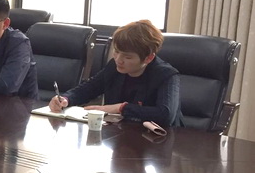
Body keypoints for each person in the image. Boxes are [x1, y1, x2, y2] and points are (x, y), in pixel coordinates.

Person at [49, 19, 182, 127]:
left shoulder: (166, 75)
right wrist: (66, 99)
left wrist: (121, 108)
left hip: (159, 142)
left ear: (149, 58)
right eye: (116, 51)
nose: (118, 60)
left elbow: (165, 115)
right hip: (119, 135)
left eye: (127, 57)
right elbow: (89, 88)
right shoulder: (115, 66)